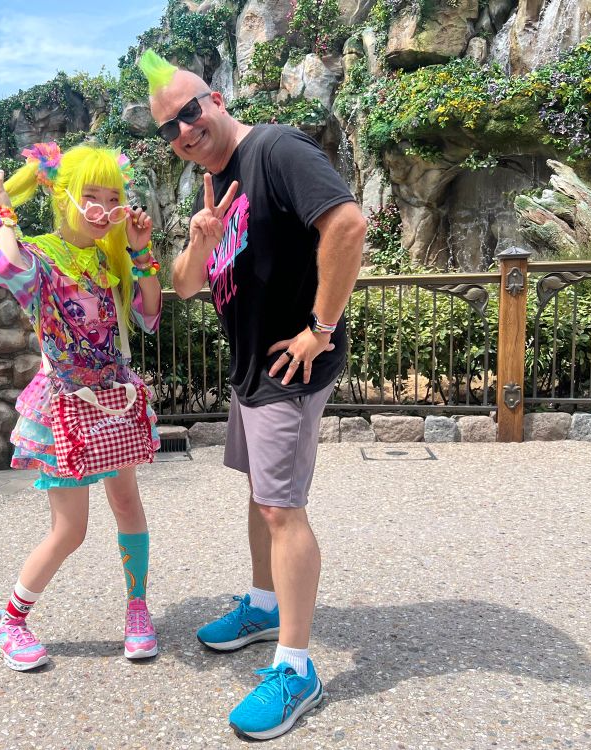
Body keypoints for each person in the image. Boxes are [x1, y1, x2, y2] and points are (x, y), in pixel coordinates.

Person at [142, 50, 367, 740]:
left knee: (281, 509)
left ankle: (297, 668)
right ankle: (266, 605)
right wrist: (199, 242)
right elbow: (183, 286)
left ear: (215, 97)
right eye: (169, 128)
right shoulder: (219, 184)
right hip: (251, 369)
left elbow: (348, 225)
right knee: (261, 497)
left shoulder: (273, 148)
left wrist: (319, 330)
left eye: (190, 111)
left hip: (286, 370)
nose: (184, 129)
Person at [0, 142, 162, 671]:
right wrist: (1, 211)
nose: (105, 208)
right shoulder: (40, 254)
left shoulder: (108, 260)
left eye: (114, 197)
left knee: (128, 505)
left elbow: (151, 312)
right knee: (71, 528)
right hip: (66, 401)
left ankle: (137, 609)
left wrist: (139, 251)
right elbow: (3, 264)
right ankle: (9, 621)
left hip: (112, 398)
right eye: (93, 196)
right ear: (63, 197)